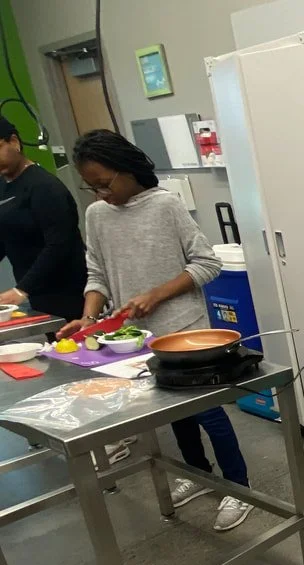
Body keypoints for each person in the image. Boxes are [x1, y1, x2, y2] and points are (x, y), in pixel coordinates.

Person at [58, 130, 254, 531]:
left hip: (183, 330)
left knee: (206, 410)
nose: (100, 194)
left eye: (105, 183)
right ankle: (197, 472)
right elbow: (97, 272)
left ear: (128, 170)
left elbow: (206, 263)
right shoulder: (97, 215)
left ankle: (240, 487)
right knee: (169, 411)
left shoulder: (165, 206)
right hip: (132, 337)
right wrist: (89, 317)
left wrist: (158, 294)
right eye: (91, 186)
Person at [0, 116, 87, 321]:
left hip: (65, 291)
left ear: (14, 141)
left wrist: (22, 290)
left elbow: (59, 244)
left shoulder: (44, 186)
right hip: (34, 293)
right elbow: (5, 238)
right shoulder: (3, 186)